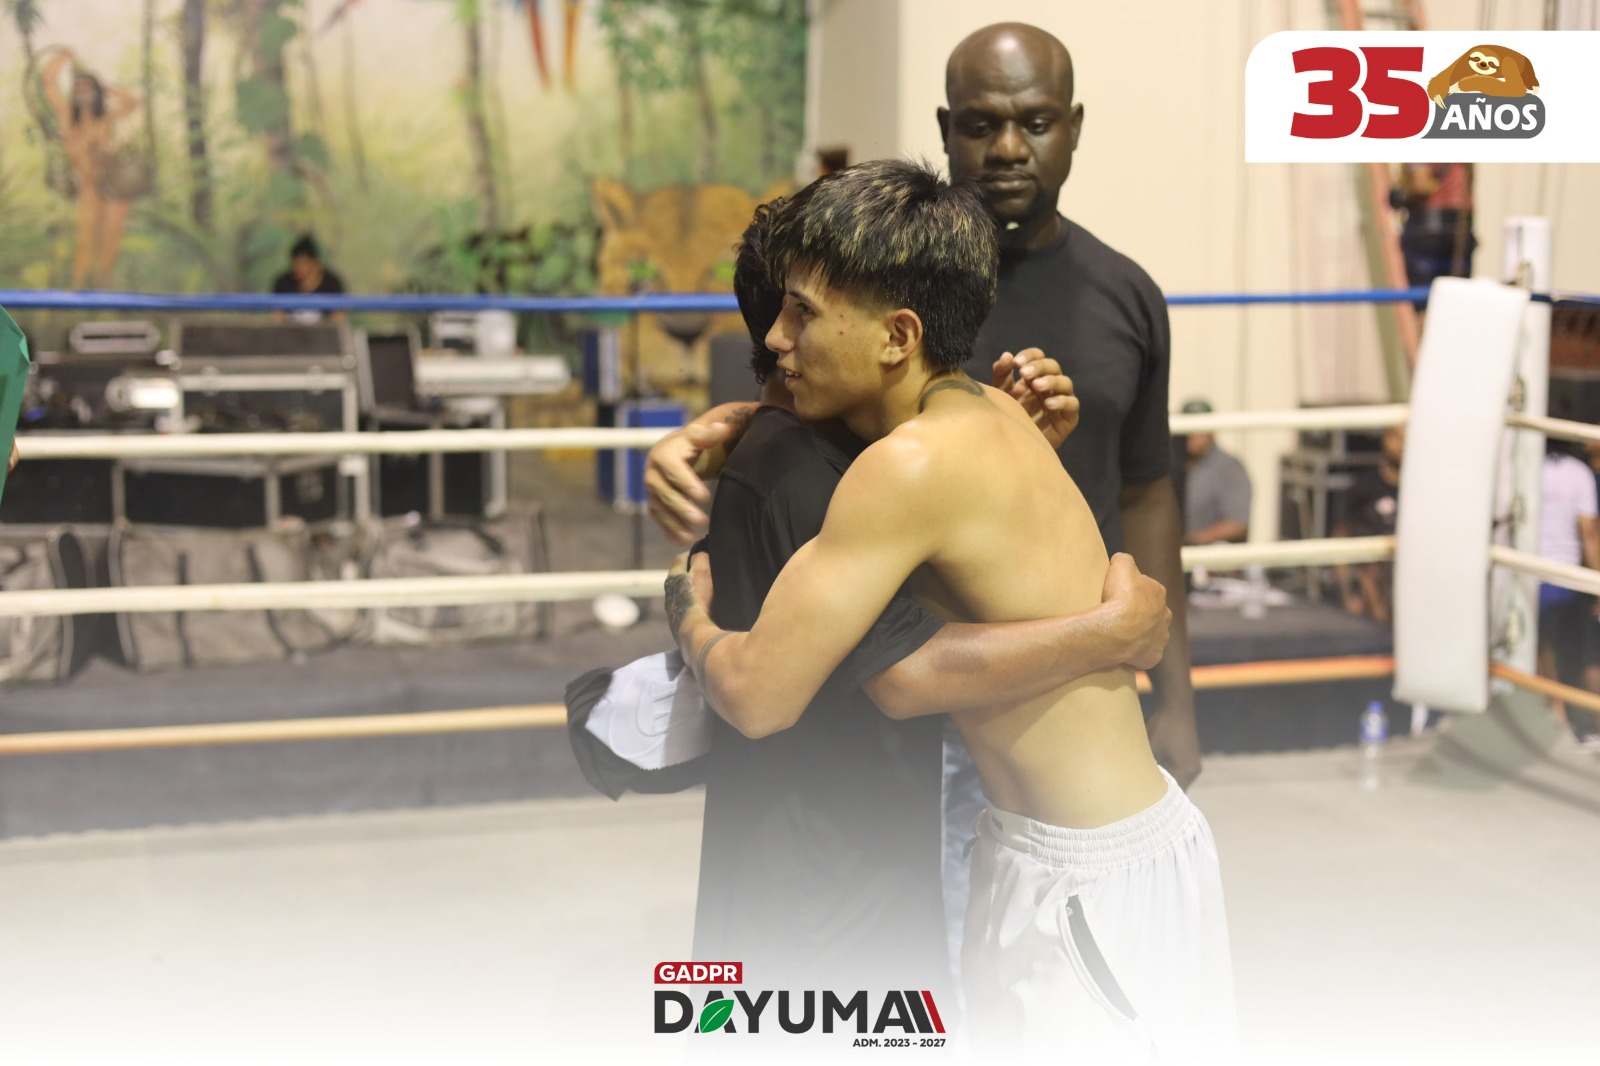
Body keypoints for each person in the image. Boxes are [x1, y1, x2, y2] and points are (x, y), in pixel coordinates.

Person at [668, 160, 1233, 1060]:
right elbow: (902, 670)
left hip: (1089, 873)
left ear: (898, 335)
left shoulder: (911, 467)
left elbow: (757, 694)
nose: (775, 337)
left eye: (803, 312)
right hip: (1051, 852)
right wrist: (1102, 635)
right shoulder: (990, 412)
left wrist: (687, 610)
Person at [41, 49, 144, 289]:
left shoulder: (104, 117)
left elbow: (133, 102)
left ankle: (103, 283)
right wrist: (61, 56)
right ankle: (78, 286)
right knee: (86, 238)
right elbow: (49, 84)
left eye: (87, 87)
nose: (82, 91)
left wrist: (107, 88)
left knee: (111, 238)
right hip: (88, 186)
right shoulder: (68, 115)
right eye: (78, 87)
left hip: (112, 185)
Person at [1538, 432, 1600, 743]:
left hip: (1528, 576)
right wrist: (1597, 582)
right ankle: (1581, 726)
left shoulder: (1520, 468)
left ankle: (1556, 720)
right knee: (1576, 656)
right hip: (1567, 578)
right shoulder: (1578, 472)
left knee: (1540, 653)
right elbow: (1588, 532)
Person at [1335, 425, 1405, 624]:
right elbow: (1341, 536)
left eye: (1408, 438)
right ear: (1385, 439)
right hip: (1374, 571)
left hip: (1410, 566)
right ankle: (1382, 634)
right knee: (1372, 570)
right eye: (1397, 437)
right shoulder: (1365, 486)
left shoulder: (1424, 488)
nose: (1402, 445)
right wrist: (1347, 594)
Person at [1395, 163, 1475, 311]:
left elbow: (1421, 186)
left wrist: (1400, 197)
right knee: (1456, 302)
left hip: (1427, 230)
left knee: (1425, 303)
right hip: (1461, 230)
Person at [1180, 398, 1252, 547]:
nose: (1192, 434)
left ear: (1212, 430)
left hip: (1211, 553)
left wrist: (1195, 540)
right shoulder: (1170, 464)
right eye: (1187, 427)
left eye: (1199, 427)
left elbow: (1238, 524)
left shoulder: (1229, 467)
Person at [271, 235, 346, 323]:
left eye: (304, 263)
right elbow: (277, 317)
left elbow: (339, 317)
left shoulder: (332, 282)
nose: (299, 268)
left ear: (315, 263)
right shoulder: (283, 283)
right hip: (291, 331)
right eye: (296, 264)